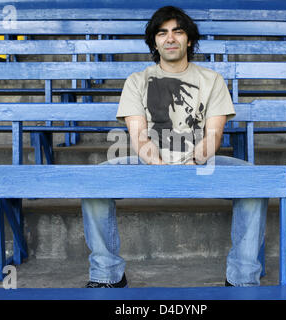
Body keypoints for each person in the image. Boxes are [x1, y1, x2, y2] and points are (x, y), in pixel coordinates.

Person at [82, 6, 268, 288]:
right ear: (154, 42)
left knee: (255, 181)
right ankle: (107, 275)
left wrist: (196, 161)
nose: (170, 38)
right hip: (149, 162)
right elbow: (138, 135)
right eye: (162, 33)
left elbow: (214, 134)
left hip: (201, 161)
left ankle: (242, 277)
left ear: (189, 40)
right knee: (95, 181)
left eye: (177, 32)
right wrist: (156, 163)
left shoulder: (211, 80)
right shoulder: (137, 80)